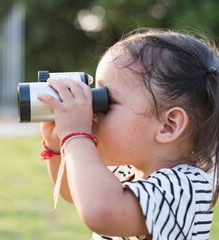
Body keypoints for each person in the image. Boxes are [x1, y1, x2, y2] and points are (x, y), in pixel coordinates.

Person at [37, 29, 219, 240]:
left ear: (168, 125)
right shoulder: (128, 170)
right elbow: (75, 193)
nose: (94, 113)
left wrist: (76, 134)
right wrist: (57, 144)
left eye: (108, 101)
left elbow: (100, 213)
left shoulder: (185, 188)